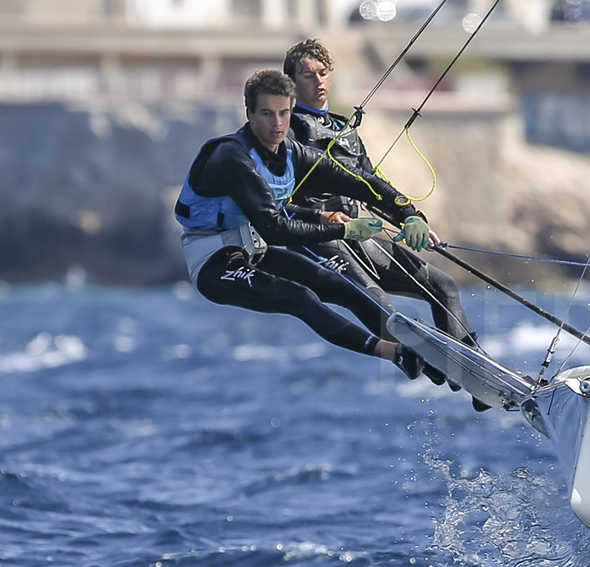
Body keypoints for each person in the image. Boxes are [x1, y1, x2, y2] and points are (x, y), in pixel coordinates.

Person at [174, 68, 433, 379]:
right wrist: (344, 230)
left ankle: (425, 357)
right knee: (298, 297)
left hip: (252, 247)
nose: (277, 124)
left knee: (341, 286)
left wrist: (411, 214)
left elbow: (360, 182)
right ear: (250, 113)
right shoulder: (232, 157)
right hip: (212, 263)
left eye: (284, 113)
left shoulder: (293, 153)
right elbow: (273, 228)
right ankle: (395, 353)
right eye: (267, 114)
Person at [283, 38, 477, 348]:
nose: (319, 81)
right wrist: (319, 217)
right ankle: (432, 363)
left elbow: (372, 186)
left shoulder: (344, 129)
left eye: (323, 72)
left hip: (359, 236)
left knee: (444, 286)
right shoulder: (287, 132)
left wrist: (411, 220)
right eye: (308, 75)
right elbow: (275, 205)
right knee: (385, 311)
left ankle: (477, 376)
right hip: (321, 239)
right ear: (291, 83)